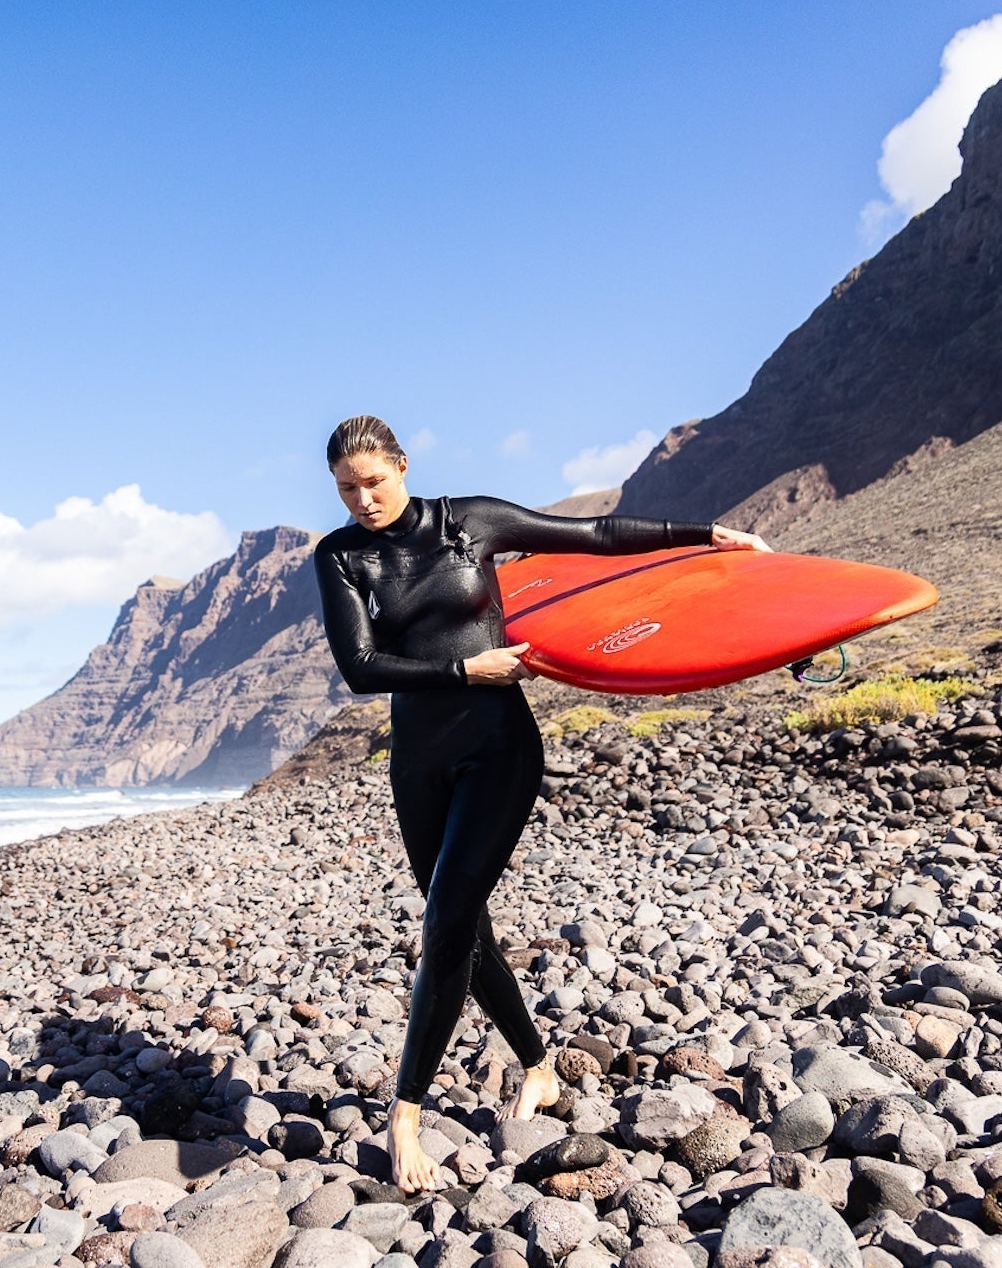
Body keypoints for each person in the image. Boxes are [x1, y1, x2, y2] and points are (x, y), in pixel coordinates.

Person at [312, 414, 770, 1193]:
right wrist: (469, 671)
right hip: (418, 761)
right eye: (347, 489)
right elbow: (360, 667)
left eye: (374, 483)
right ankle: (537, 1066)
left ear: (402, 466)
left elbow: (593, 536)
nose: (362, 500)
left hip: (499, 749)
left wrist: (703, 533)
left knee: (444, 922)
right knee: (467, 926)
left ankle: (406, 1113)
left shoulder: (470, 522)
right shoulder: (341, 556)